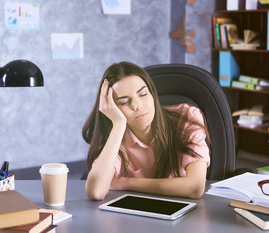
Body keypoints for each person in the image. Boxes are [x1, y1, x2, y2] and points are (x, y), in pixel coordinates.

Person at [82, 62, 210, 200]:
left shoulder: (186, 117)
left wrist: (126, 182)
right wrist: (118, 125)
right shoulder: (115, 137)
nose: (137, 106)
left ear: (152, 93)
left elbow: (195, 187)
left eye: (143, 94)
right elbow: (96, 191)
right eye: (124, 102)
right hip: (136, 216)